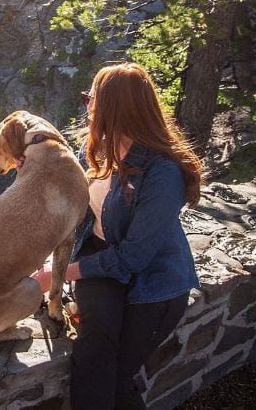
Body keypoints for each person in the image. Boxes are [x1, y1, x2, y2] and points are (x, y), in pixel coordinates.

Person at [31, 62, 203, 409]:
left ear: (115, 107)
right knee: (94, 355)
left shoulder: (162, 172)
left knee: (115, 377)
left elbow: (134, 258)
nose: (87, 107)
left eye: (91, 99)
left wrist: (59, 275)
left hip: (155, 285)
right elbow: (74, 209)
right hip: (101, 261)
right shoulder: (96, 150)